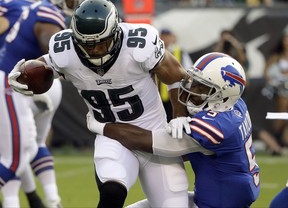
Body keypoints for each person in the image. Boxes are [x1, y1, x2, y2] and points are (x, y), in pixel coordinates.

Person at [8, 0, 191, 208]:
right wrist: (23, 75)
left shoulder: (138, 43)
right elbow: (44, 65)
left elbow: (177, 76)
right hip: (113, 138)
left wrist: (179, 115)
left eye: (101, 42)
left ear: (116, 32)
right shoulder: (65, 50)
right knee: (112, 192)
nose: (95, 49)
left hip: (155, 136)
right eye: (87, 43)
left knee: (173, 205)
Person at [83, 52, 261, 207]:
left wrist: (103, 126)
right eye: (195, 82)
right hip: (218, 197)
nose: (192, 89)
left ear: (222, 96)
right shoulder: (235, 105)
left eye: (202, 87)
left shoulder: (218, 127)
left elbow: (152, 142)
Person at [0, 0, 82, 207]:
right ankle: (49, 199)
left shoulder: (21, 8)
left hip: (17, 80)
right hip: (13, 81)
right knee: (18, 154)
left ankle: (31, 200)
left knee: (19, 150)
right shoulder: (44, 10)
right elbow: (52, 52)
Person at [158, 28, 193, 121]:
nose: (165, 39)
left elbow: (189, 71)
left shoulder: (180, 52)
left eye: (167, 36)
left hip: (177, 93)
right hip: (159, 95)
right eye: (163, 36)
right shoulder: (156, 51)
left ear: (172, 37)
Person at [263, 27, 288, 149]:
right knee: (282, 113)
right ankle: (275, 140)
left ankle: (282, 140)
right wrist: (275, 79)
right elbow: (266, 72)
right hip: (280, 91)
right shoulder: (276, 57)